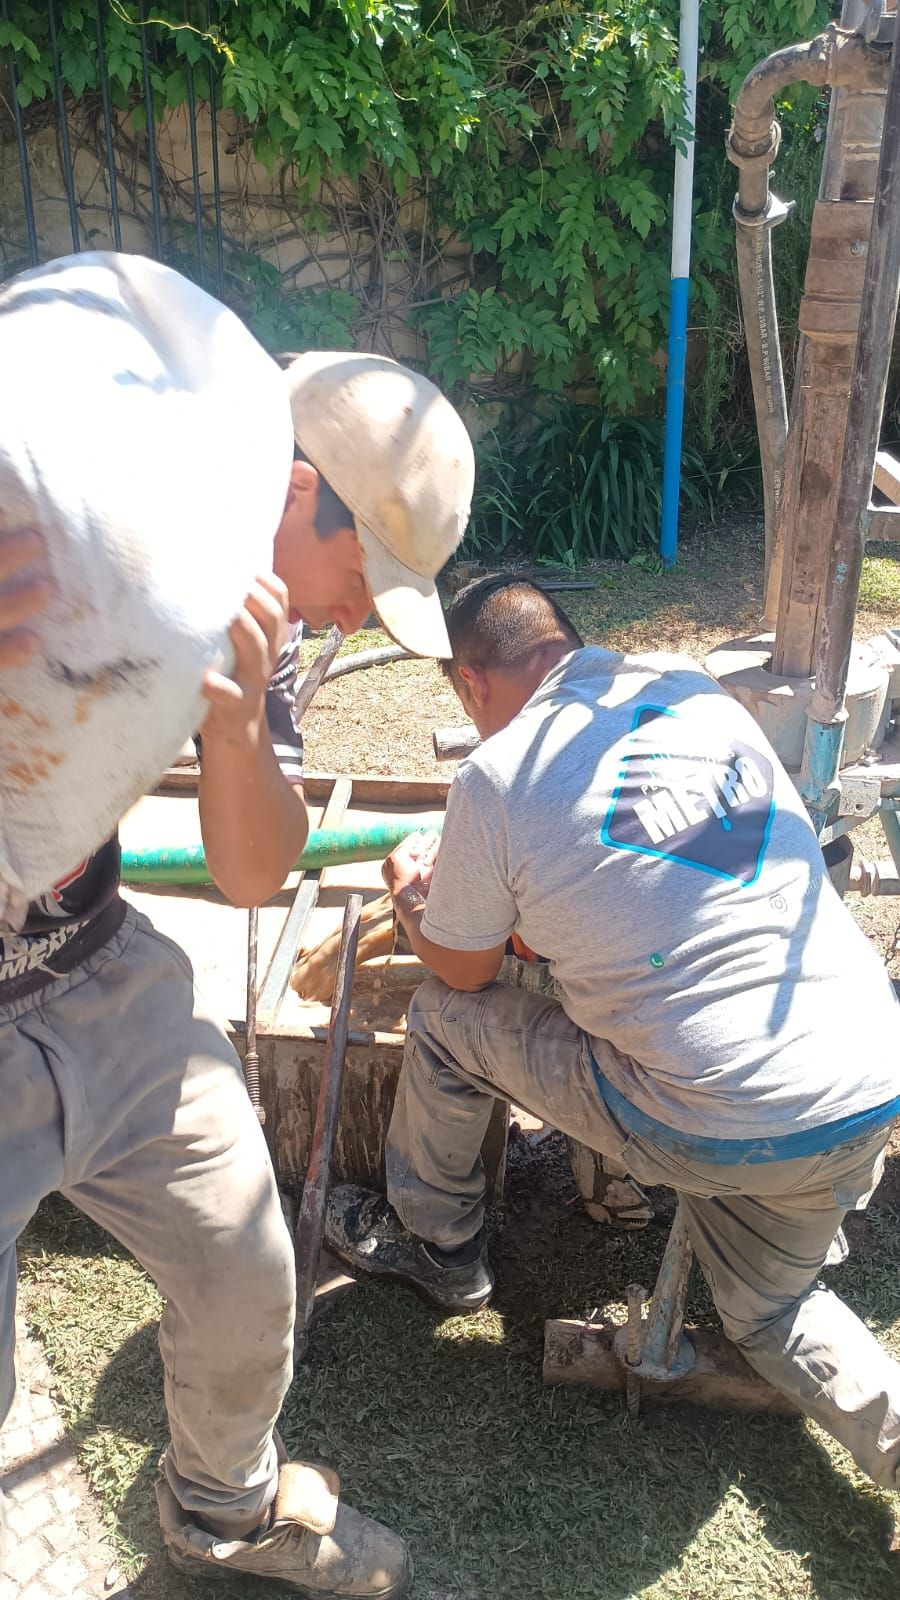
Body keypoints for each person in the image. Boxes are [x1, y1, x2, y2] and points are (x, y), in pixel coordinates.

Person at [0, 273, 474, 1596]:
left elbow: (252, 870)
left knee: (246, 1266)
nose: (349, 618)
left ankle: (222, 1510)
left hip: (96, 972)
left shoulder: (232, 621)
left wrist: (234, 720)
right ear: (291, 490)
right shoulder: (74, 500)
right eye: (359, 579)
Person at [326, 572, 900, 1489]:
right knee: (768, 1314)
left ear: (472, 685)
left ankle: (438, 1247)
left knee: (444, 1019)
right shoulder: (685, 688)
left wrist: (409, 895)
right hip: (865, 1083)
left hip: (711, 1117)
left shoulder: (498, 774)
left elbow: (468, 970)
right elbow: (647, 874)